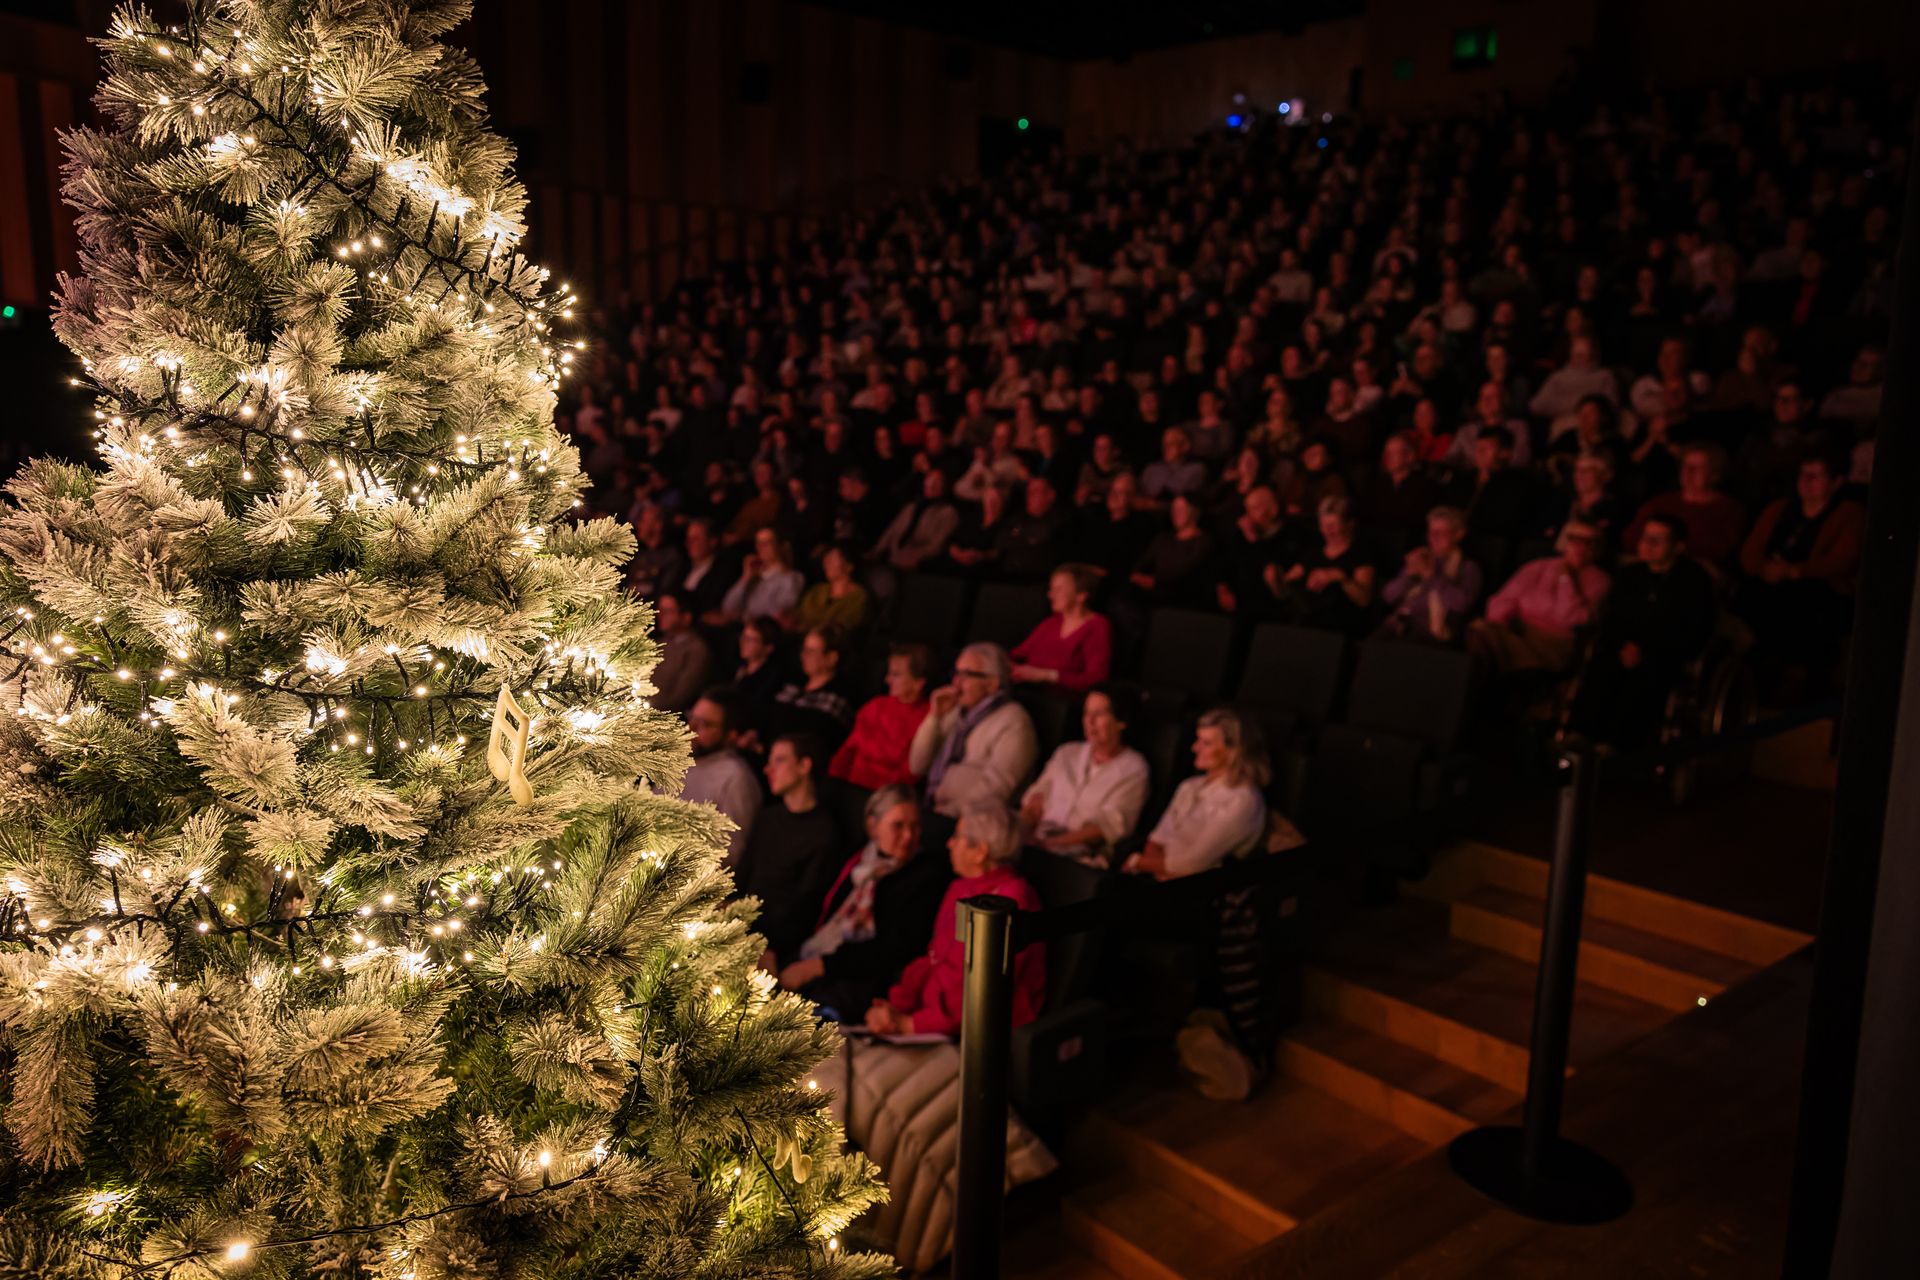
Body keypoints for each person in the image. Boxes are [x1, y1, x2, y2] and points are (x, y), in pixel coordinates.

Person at [864, 802, 1046, 1038]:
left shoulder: (1012, 902)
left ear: (980, 851)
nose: (949, 843)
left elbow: (979, 995)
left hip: (981, 1038)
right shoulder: (960, 887)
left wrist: (909, 1025)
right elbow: (933, 960)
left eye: (957, 837)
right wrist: (895, 1006)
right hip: (931, 1021)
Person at [779, 785, 951, 1017]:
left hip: (862, 977)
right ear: (873, 826)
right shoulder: (857, 860)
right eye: (898, 826)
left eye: (915, 826)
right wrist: (772, 946)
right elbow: (814, 905)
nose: (909, 835)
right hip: (818, 951)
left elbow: (895, 947)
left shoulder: (926, 876)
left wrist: (819, 967)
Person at [1568, 516, 1718, 747]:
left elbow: (1693, 627)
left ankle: (1619, 743)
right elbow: (1613, 618)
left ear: (1678, 546)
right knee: (1601, 667)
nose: (1646, 544)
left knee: (1645, 679)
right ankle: (1580, 734)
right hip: (1623, 646)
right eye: (1645, 538)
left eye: (1656, 540)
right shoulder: (1630, 575)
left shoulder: (1693, 580)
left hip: (1664, 652)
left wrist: (1646, 648)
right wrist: (1623, 644)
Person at [1738, 453, 1866, 689]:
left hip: (1821, 588)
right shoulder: (1778, 509)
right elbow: (1750, 552)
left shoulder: (1849, 513)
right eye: (1803, 475)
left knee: (1803, 604)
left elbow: (1843, 560)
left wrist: (1795, 571)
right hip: (1771, 582)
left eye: (1814, 476)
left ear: (1836, 482)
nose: (1806, 482)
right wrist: (1765, 569)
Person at [1123, 707, 1270, 879]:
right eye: (1197, 740)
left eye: (1206, 743)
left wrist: (1137, 862)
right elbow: (1157, 839)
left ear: (1233, 751)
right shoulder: (1190, 786)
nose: (1194, 748)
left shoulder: (1243, 800)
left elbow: (1192, 864)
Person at [737, 732, 843, 962]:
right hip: (739, 924)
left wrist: (773, 947)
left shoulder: (824, 833)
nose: (768, 769)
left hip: (774, 945)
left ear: (804, 766)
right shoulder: (768, 817)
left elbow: (807, 907)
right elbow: (743, 874)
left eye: (780, 760)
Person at [1019, 685, 1152, 865]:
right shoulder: (1067, 753)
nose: (1089, 721)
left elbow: (1107, 826)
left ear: (1121, 721)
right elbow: (1038, 796)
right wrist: (1022, 831)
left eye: (1098, 714)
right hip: (1039, 839)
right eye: (1086, 713)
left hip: (1081, 854)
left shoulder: (1133, 768)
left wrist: (1052, 844)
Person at [909, 643, 1039, 818]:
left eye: (967, 675)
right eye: (956, 673)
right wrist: (935, 717)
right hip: (935, 811)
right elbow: (917, 765)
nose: (956, 683)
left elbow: (996, 790)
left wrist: (947, 814)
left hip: (973, 821)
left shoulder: (1014, 721)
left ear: (992, 684)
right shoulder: (955, 712)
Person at [1467, 521, 1611, 673]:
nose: (1580, 547)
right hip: (1518, 631)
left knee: (1488, 658)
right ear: (1564, 541)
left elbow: (1568, 617)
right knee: (1480, 631)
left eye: (1588, 542)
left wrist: (1566, 579)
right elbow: (1504, 599)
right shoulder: (1538, 566)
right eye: (1574, 539)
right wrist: (1503, 621)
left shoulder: (1599, 580)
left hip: (1553, 644)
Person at [1623, 444, 1748, 578]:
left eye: (1697, 468)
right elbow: (1631, 538)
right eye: (1685, 466)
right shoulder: (1660, 503)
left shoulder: (1728, 509)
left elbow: (1722, 549)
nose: (1688, 472)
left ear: (1714, 474)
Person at [830, 643, 932, 792]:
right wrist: (833, 781)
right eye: (889, 673)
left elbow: (910, 772)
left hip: (885, 796)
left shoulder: (928, 718)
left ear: (918, 683)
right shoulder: (876, 706)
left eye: (896, 675)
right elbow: (848, 751)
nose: (887, 680)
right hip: (849, 787)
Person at [679, 687, 761, 866]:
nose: (690, 728)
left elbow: (729, 854)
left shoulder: (735, 778)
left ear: (731, 735)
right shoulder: (683, 759)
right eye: (692, 717)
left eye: (705, 724)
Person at [1377, 506, 1483, 644]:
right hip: (1397, 623)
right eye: (1430, 532)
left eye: (1440, 533)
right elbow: (1388, 596)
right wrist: (1408, 575)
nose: (1433, 538)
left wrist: (1432, 578)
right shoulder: (1422, 557)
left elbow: (1462, 605)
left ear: (1458, 534)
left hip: (1429, 630)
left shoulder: (1468, 568)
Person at [1273, 495, 1376, 636]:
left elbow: (1364, 600)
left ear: (1349, 524)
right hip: (1310, 622)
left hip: (1341, 626)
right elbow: (1288, 583)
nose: (1327, 531)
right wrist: (1276, 578)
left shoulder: (1360, 555)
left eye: (1333, 525)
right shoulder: (1313, 553)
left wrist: (1340, 577)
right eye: (1323, 526)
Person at [1011, 564, 1113, 691]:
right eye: (1051, 589)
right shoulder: (1051, 623)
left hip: (1061, 703)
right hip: (1030, 692)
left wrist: (1046, 675)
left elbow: (1096, 679)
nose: (1050, 595)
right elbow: (1017, 654)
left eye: (1058, 589)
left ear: (1081, 595)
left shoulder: (1097, 626)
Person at [764, 626, 856, 746]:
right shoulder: (792, 684)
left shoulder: (836, 699)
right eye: (804, 650)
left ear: (831, 658)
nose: (803, 656)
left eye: (811, 652)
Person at [1131, 493, 1217, 609]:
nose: (1176, 513)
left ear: (1193, 511)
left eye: (1181, 509)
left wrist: (1156, 582)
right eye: (1174, 509)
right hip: (1151, 592)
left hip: (1181, 596)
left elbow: (1186, 571)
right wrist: (1137, 575)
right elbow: (1143, 563)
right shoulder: (1163, 539)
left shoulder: (1203, 542)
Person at [712, 526, 804, 627]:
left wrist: (747, 616)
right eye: (758, 543)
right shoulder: (753, 577)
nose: (761, 547)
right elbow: (728, 608)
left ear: (779, 545)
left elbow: (779, 613)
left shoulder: (791, 578)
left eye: (767, 543)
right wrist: (745, 578)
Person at [648, 590, 712, 713]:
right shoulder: (658, 643)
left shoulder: (696, 650)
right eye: (660, 610)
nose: (660, 615)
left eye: (667, 611)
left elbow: (679, 698)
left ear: (686, 617)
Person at [792, 543, 871, 636]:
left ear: (849, 565)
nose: (826, 562)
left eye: (833, 558)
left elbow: (842, 625)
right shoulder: (817, 590)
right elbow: (800, 615)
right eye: (826, 558)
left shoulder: (859, 597)